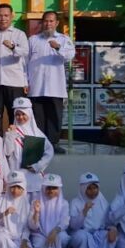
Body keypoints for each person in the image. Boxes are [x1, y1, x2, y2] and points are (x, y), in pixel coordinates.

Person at [27, 11, 75, 151]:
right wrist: (26, 81)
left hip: (55, 87)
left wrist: (58, 47)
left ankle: (53, 144)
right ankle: (39, 145)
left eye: (51, 21)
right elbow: (25, 61)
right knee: (38, 117)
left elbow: (70, 55)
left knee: (54, 116)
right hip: (36, 86)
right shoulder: (33, 40)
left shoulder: (63, 39)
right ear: (42, 23)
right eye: (46, 21)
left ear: (57, 23)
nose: (48, 24)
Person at [0, 3, 29, 127]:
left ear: (12, 16)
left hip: (14, 82)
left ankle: (15, 139)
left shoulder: (19, 34)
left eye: (6, 15)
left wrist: (13, 47)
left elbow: (25, 53)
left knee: (16, 116)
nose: (2, 18)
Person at [4, 97, 54, 204]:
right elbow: (7, 152)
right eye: (17, 114)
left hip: (33, 178)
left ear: (29, 114)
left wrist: (38, 166)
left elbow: (49, 152)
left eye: (23, 114)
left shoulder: (37, 133)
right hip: (17, 179)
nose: (20, 117)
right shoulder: (11, 132)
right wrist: (10, 135)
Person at [66, 172, 118, 248]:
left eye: (95, 188)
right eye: (89, 188)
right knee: (82, 236)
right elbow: (73, 226)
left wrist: (112, 229)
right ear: (83, 189)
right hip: (82, 232)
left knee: (108, 235)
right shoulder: (75, 202)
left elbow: (108, 221)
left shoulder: (102, 201)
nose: (93, 191)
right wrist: (84, 211)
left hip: (98, 233)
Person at [0, 170, 36, 248]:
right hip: (3, 233)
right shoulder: (0, 200)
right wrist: (4, 214)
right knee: (1, 238)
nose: (15, 190)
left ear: (23, 188)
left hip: (19, 237)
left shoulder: (26, 203)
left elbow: (27, 227)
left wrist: (24, 241)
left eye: (18, 187)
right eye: (12, 187)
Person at [29, 173, 70, 248]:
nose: (51, 191)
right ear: (43, 188)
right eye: (48, 188)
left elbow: (65, 221)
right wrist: (36, 212)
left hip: (57, 232)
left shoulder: (64, 203)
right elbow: (32, 226)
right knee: (39, 245)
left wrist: (54, 232)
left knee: (63, 238)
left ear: (59, 189)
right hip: (40, 234)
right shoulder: (36, 202)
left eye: (54, 188)